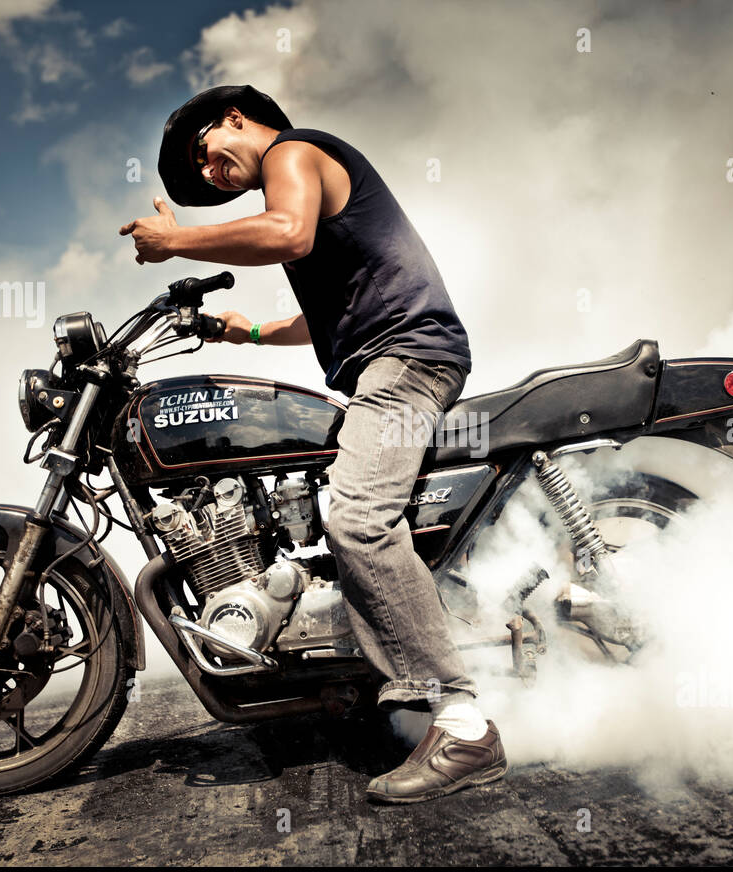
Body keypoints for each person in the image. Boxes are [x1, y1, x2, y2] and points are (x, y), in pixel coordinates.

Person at [120, 85, 507, 803]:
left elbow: (286, 235)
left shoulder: (295, 152)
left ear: (235, 117)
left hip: (409, 356)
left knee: (358, 520)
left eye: (204, 155)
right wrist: (254, 333)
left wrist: (175, 241)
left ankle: (463, 724)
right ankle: (384, 689)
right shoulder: (298, 185)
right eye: (202, 178)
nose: (210, 176)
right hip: (386, 357)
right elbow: (324, 302)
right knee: (341, 518)